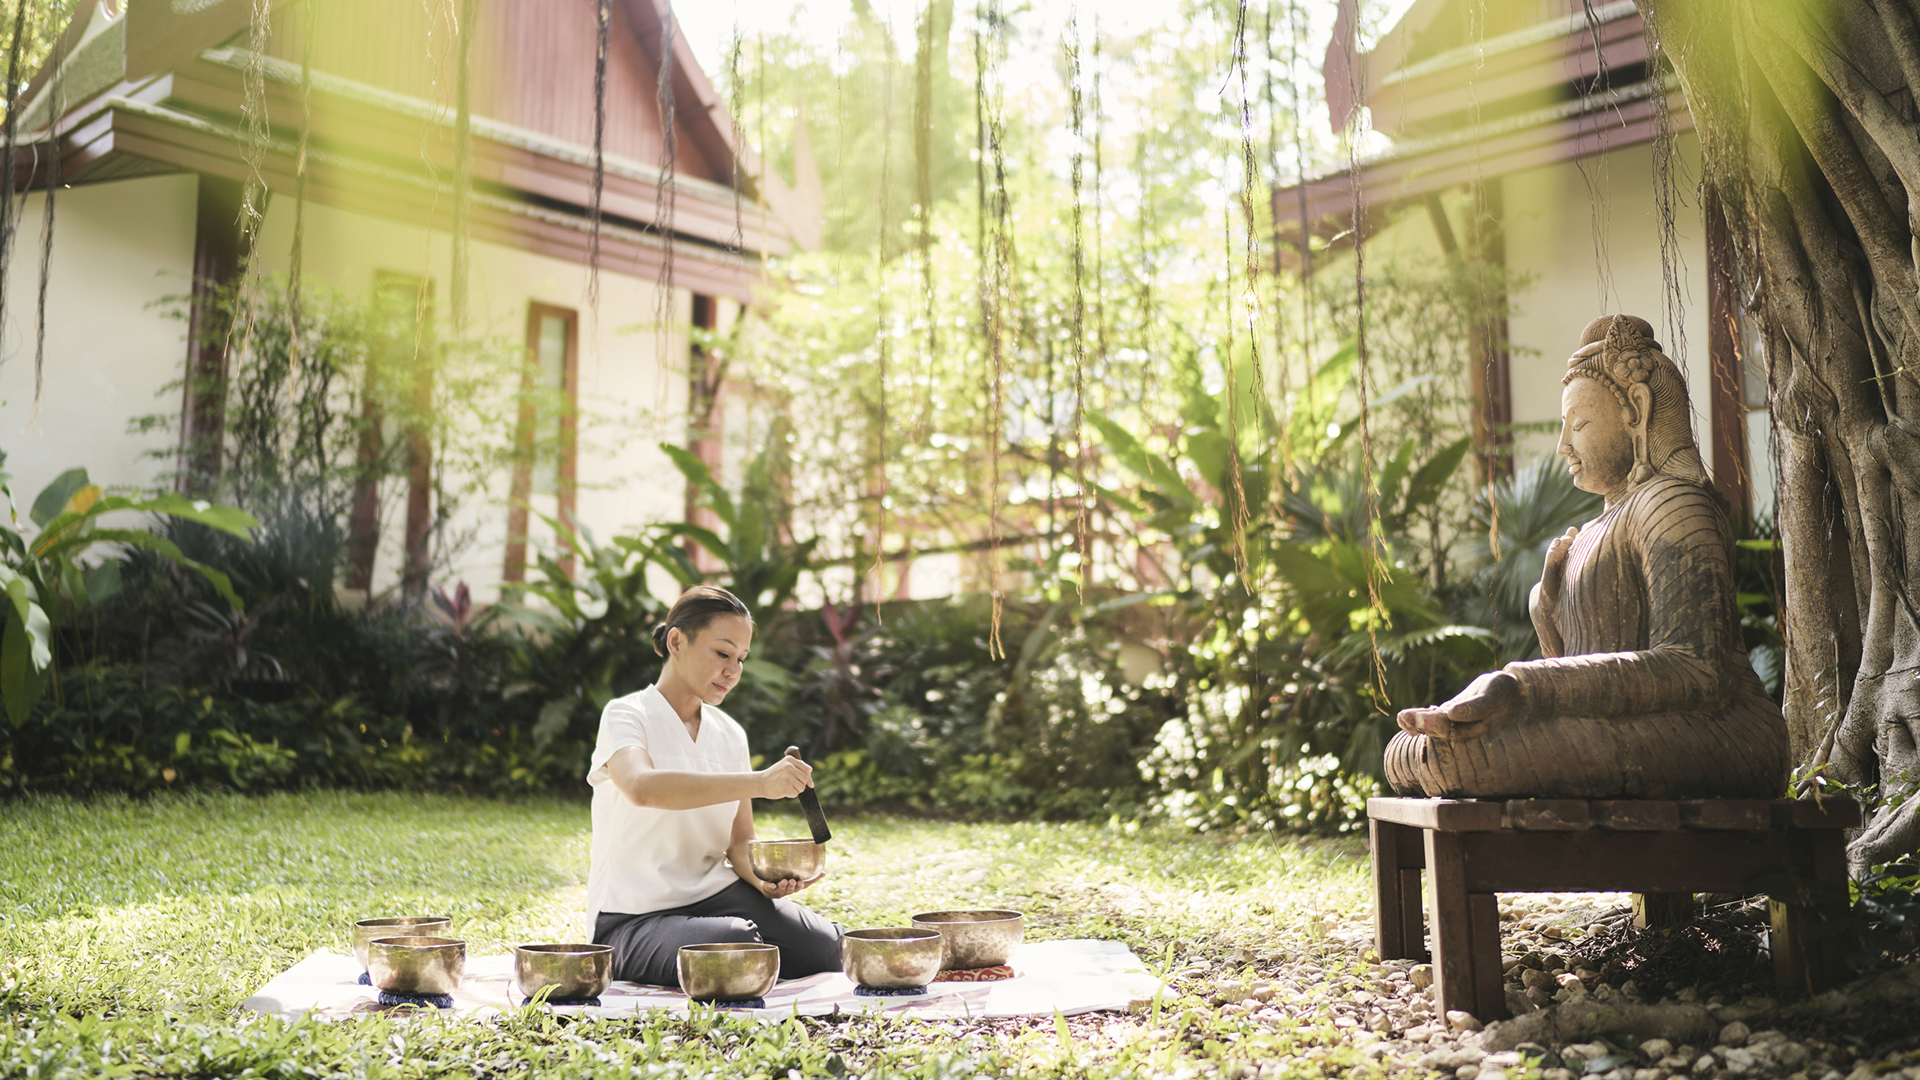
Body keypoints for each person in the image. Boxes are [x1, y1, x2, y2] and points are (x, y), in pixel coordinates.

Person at [1386, 314, 1789, 799]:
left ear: (1635, 409)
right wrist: (1547, 612)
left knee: (1461, 755)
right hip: (1643, 725)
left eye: (1578, 425)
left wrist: (1522, 683)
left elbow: (1698, 673)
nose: (1563, 446)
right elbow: (1581, 672)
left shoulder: (1673, 505)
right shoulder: (1593, 530)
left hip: (1722, 733)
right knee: (1410, 751)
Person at [586, 584, 842, 986]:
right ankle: (660, 953)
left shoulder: (730, 733)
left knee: (829, 947)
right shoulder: (626, 715)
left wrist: (763, 879)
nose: (733, 670)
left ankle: (754, 951)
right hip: (634, 916)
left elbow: (739, 842)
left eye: (741, 658)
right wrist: (759, 782)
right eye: (722, 653)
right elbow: (641, 787)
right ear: (676, 641)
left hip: (717, 897)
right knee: (734, 945)